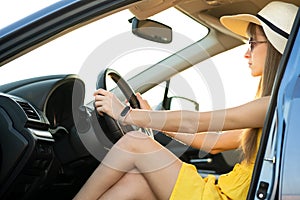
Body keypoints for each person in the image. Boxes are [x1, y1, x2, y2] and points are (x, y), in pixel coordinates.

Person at [74, 1, 298, 200]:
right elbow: (214, 142)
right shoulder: (277, 110)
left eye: (252, 42)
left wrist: (129, 115)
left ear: (276, 48)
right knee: (136, 182)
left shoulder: (273, 105)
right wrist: (151, 117)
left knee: (135, 142)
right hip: (221, 190)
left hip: (221, 197)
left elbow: (197, 121)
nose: (246, 53)